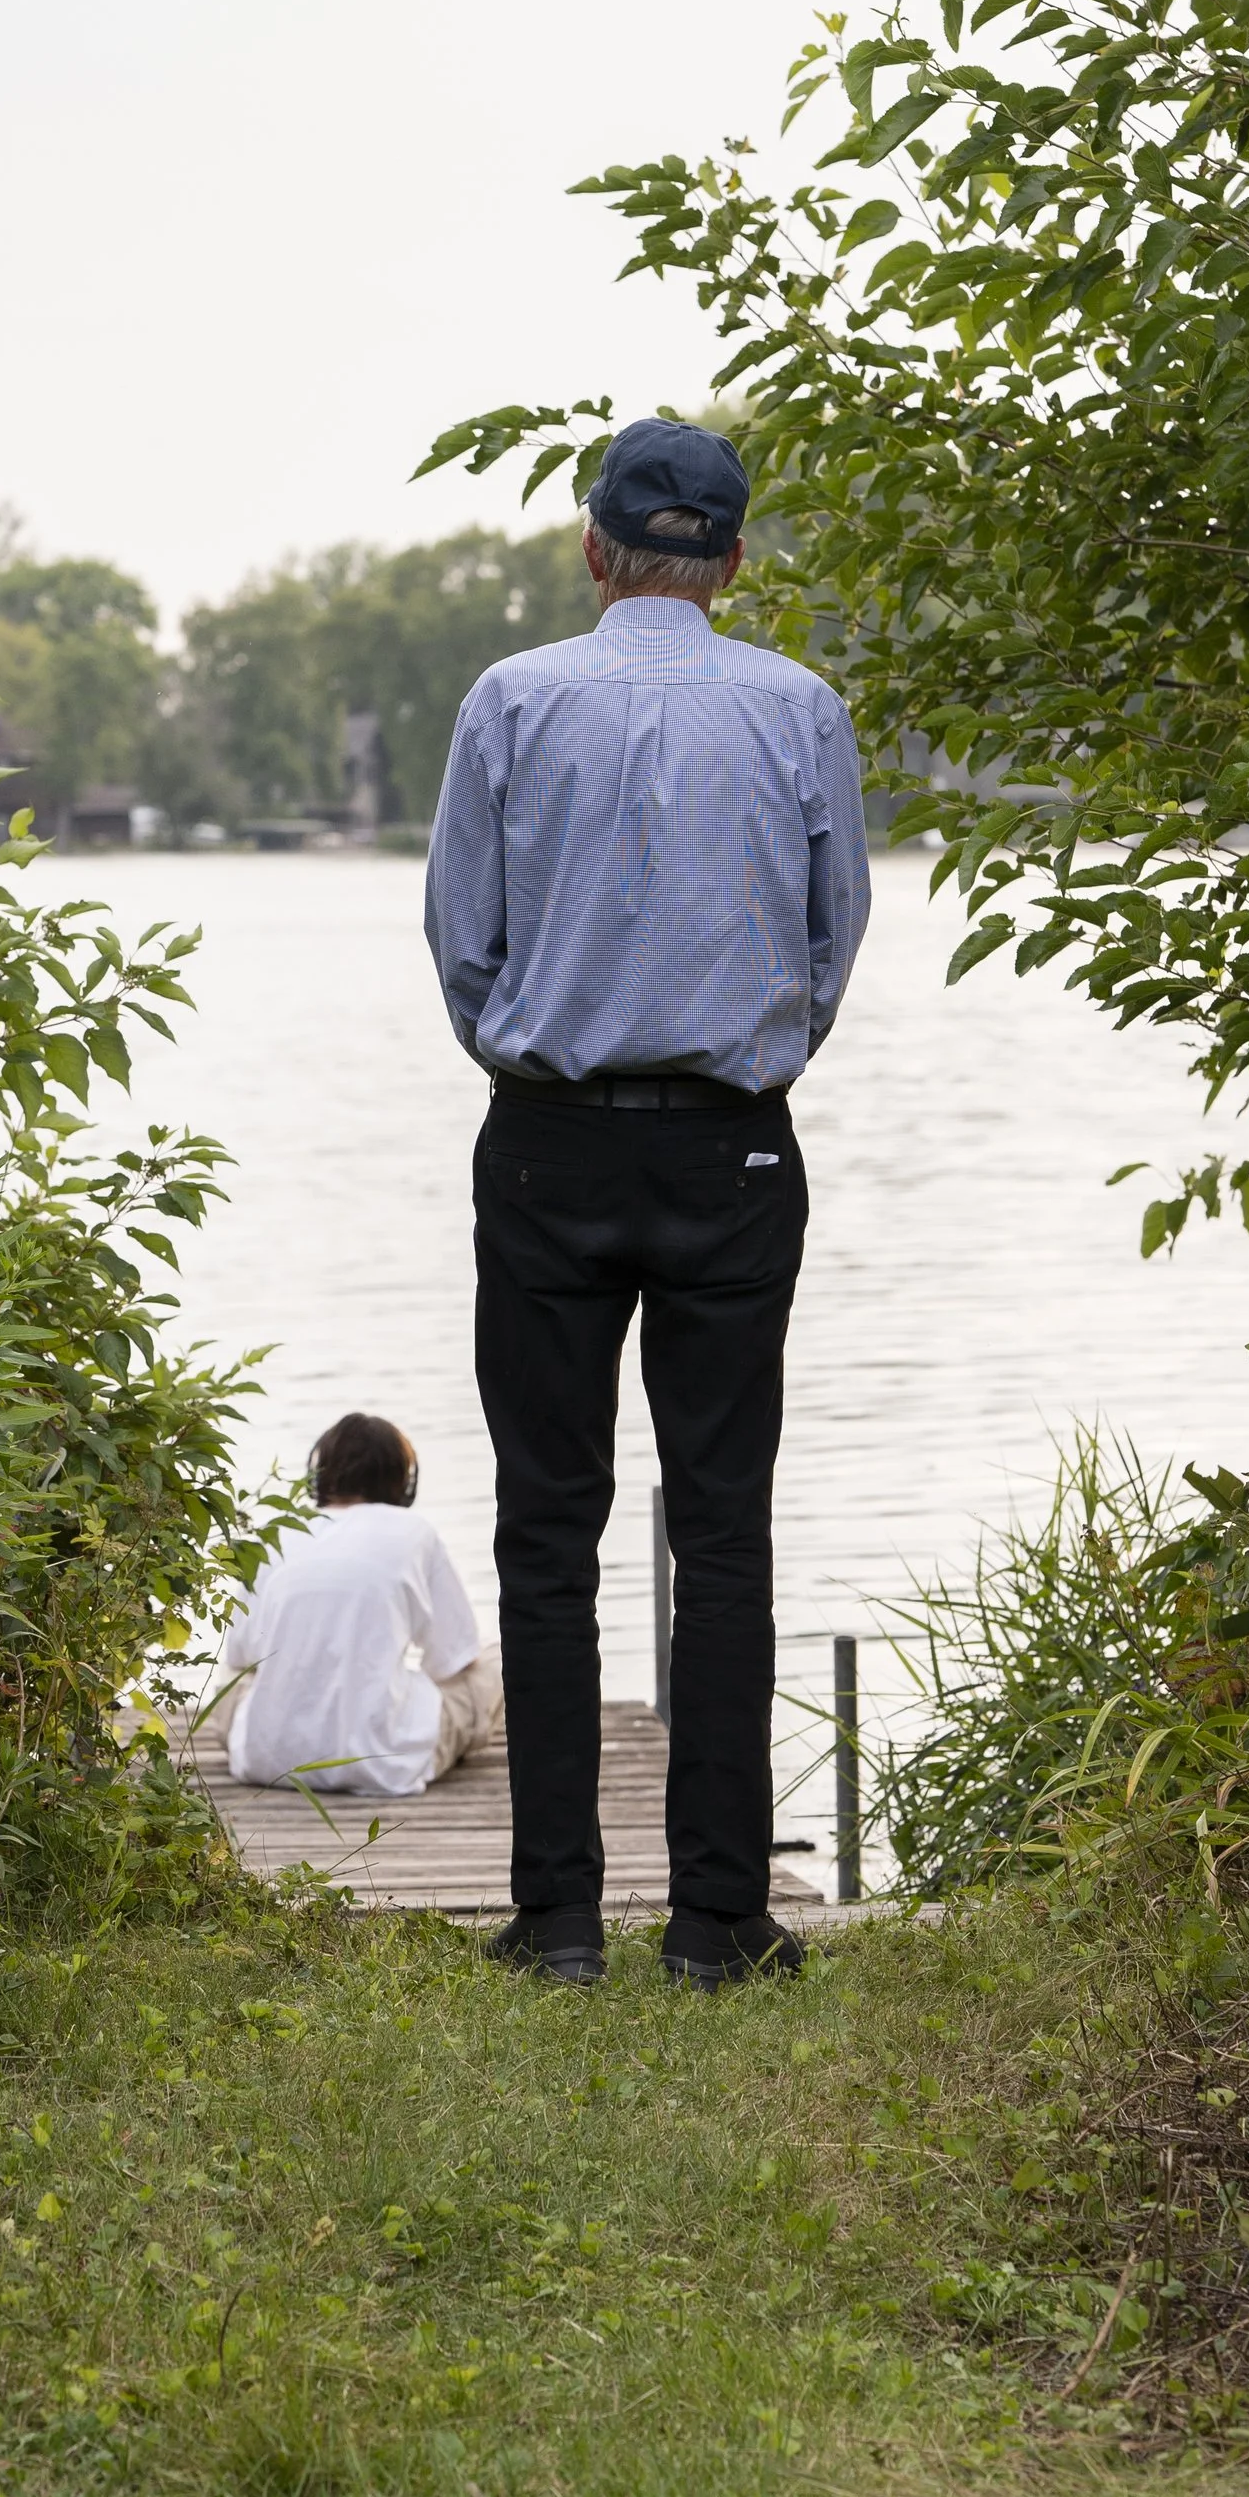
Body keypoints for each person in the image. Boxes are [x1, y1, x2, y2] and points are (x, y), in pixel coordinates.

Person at [423, 417, 870, 1990]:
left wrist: (543, 1043)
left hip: (544, 1142)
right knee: (726, 1531)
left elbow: (462, 946)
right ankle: (718, 1922)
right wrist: (743, 1062)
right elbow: (831, 946)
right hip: (734, 1150)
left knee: (548, 1530)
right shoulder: (801, 709)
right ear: (733, 561)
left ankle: (554, 1927)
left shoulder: (514, 699)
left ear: (596, 549)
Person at [220, 1411, 500, 1798]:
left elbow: (241, 1653)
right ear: (404, 1480)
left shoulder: (279, 1530)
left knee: (230, 1678)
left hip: (265, 1763)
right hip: (383, 1765)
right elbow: (456, 1659)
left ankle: (285, 1738)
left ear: (319, 1474)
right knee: (492, 1659)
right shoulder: (414, 1533)